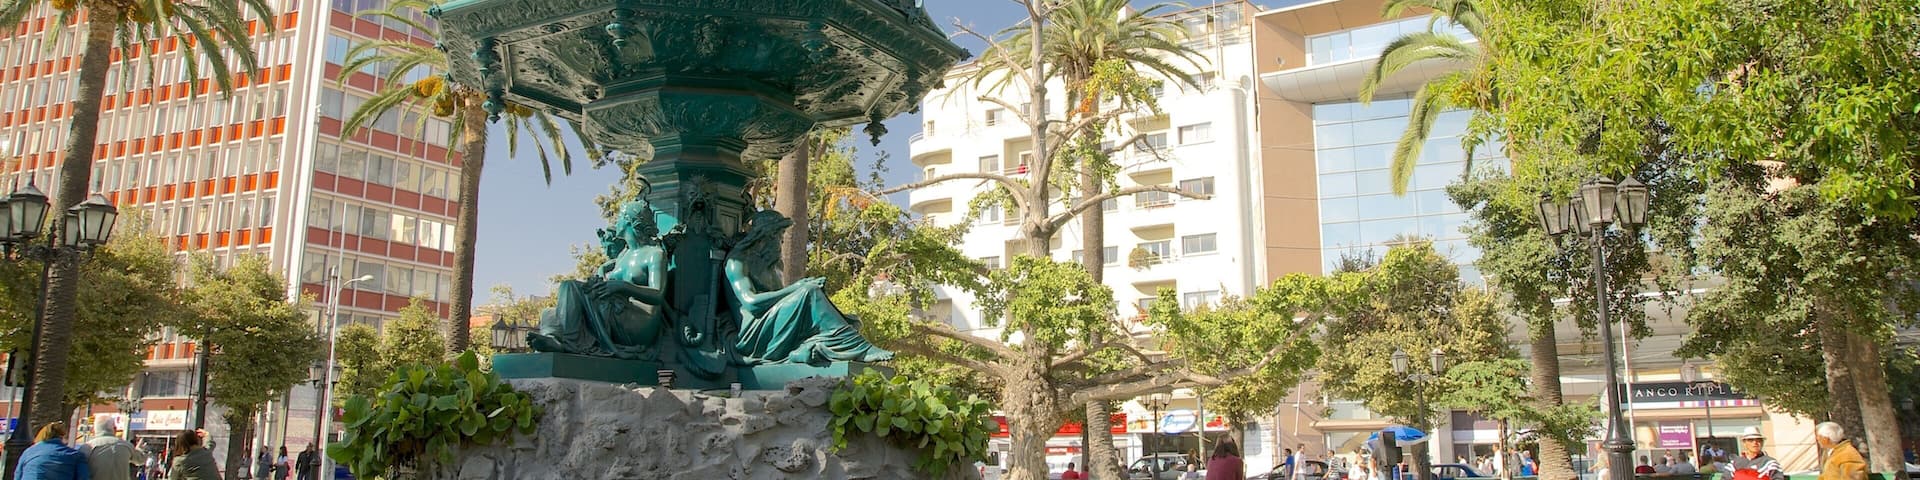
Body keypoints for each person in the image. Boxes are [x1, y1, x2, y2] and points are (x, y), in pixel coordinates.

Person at [79, 416, 148, 480]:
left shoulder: (86, 447)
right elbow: (140, 460)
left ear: (93, 430)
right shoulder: (126, 445)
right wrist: (140, 448)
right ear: (115, 429)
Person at [17, 422, 90, 480]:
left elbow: (18, 475)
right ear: (62, 437)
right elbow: (83, 477)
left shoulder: (28, 452)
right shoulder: (75, 455)